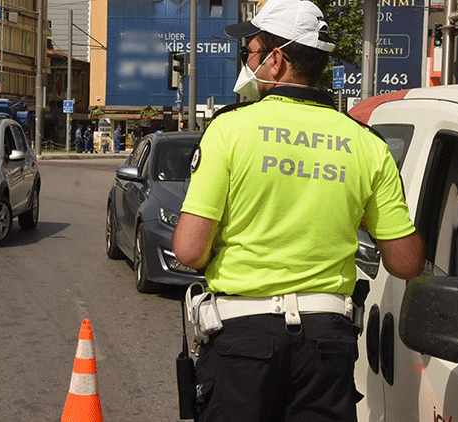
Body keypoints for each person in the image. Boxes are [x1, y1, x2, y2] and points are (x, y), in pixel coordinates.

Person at [171, 0, 425, 420]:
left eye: (249, 53)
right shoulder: (367, 144)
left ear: (276, 59)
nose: (246, 63)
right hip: (327, 349)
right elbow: (406, 261)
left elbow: (190, 250)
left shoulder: (229, 129)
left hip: (242, 346)